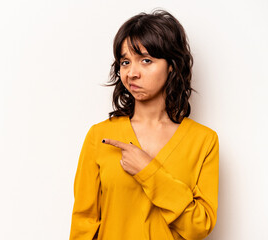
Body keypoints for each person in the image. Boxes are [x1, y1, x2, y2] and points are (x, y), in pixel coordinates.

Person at [69, 9, 219, 240]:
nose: (132, 73)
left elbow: (199, 226)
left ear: (172, 65)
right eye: (125, 62)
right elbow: (84, 224)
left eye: (146, 60)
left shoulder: (204, 141)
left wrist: (148, 171)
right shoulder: (99, 136)